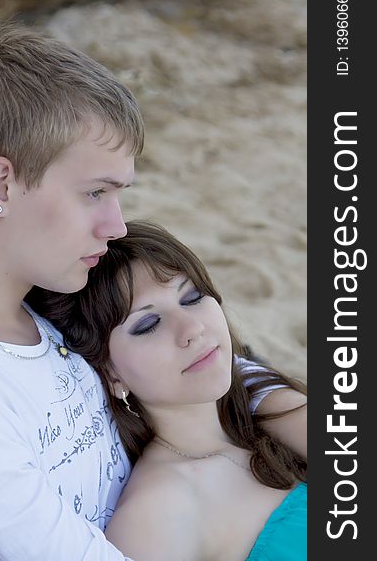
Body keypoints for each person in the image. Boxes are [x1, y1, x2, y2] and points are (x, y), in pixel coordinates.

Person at [0, 24, 303, 560]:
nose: (115, 226)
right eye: (95, 193)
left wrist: (277, 403)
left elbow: (189, 346)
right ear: (1, 185)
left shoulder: (40, 297)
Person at [29, 220, 307, 561]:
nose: (192, 328)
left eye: (192, 297)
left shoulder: (264, 415)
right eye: (148, 325)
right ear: (112, 375)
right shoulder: (159, 509)